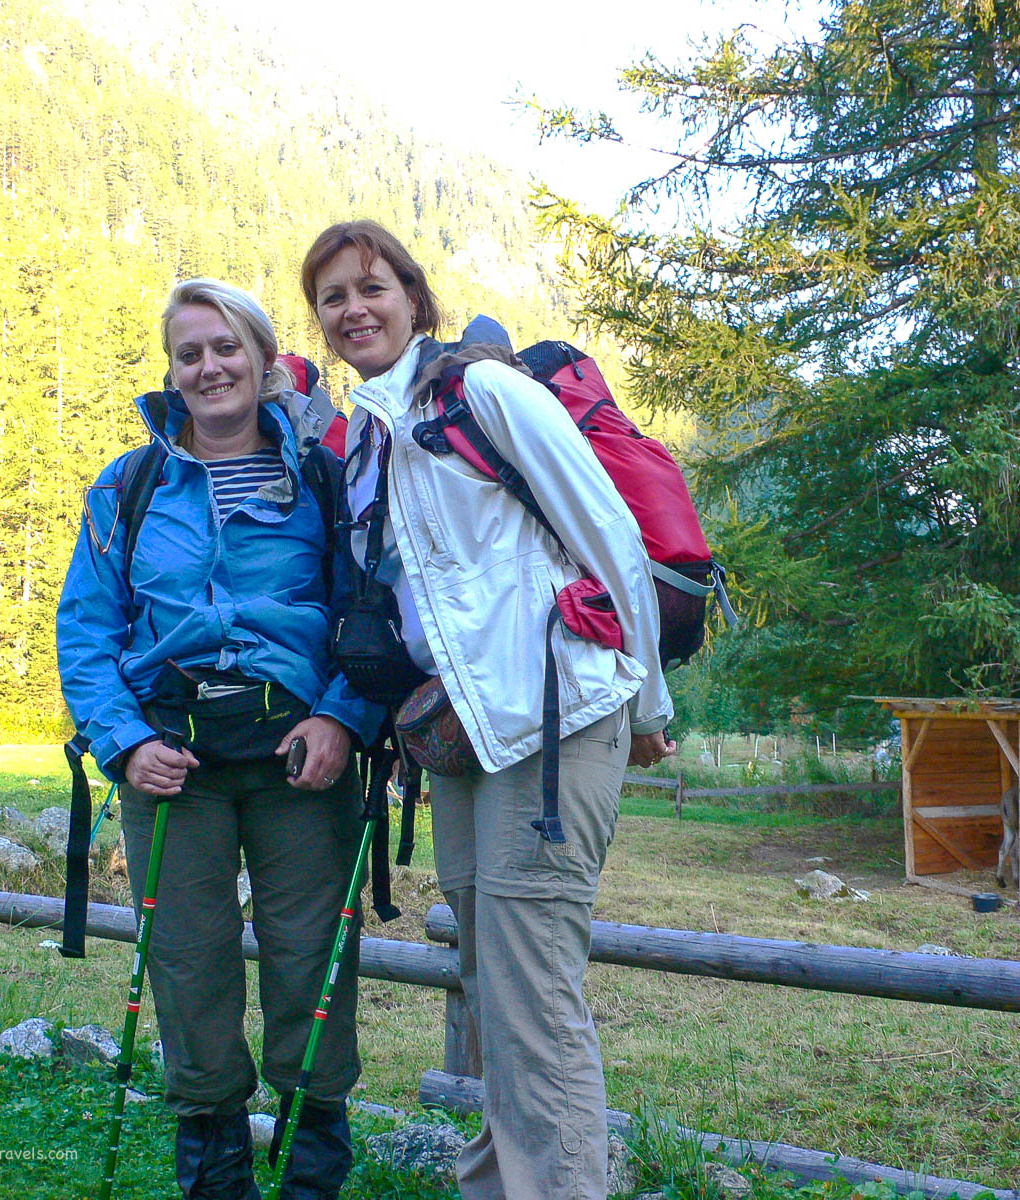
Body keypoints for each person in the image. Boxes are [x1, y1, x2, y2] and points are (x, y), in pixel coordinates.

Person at [300, 220, 677, 1200]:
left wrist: (644, 710)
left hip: (554, 726)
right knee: (491, 993)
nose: (353, 309)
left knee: (534, 1003)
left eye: (371, 287)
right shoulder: (374, 440)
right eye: (333, 297)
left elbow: (609, 538)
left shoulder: (485, 394)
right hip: (466, 740)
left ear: (413, 299)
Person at [57, 278, 380, 1200]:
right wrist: (120, 742)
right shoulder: (128, 485)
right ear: (172, 369)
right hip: (173, 762)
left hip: (300, 757)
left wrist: (343, 715)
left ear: (266, 359)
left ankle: (313, 1169)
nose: (210, 367)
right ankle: (215, 1174)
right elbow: (87, 628)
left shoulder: (323, 473)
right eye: (190, 352)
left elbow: (369, 605)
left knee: (311, 961)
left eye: (227, 347)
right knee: (189, 963)